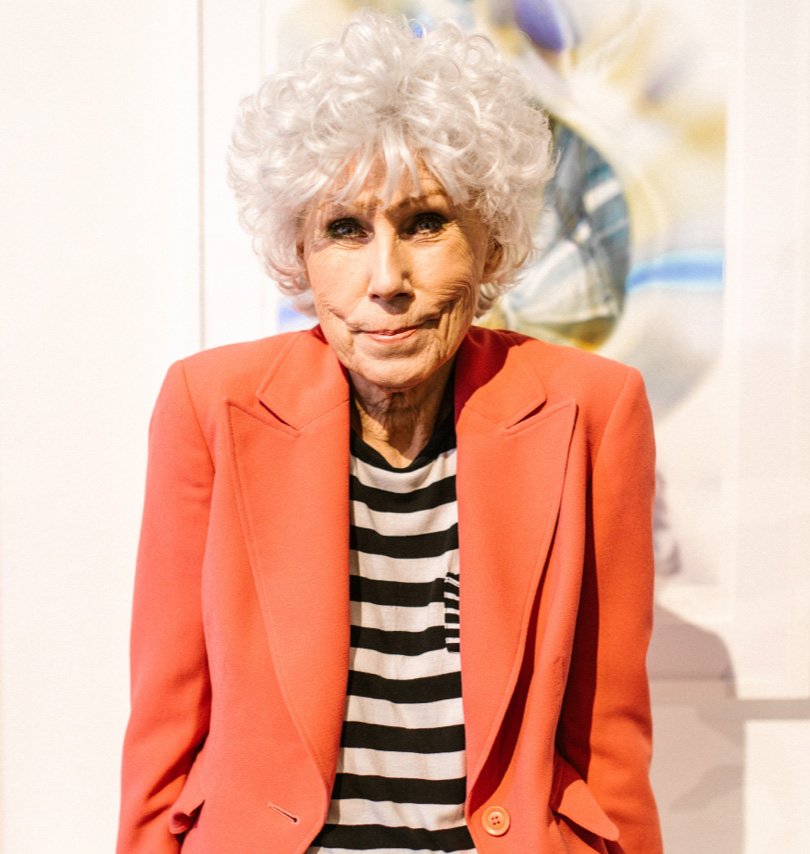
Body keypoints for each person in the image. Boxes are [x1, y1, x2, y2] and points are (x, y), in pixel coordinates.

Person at [117, 10, 662, 853]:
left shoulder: (594, 410)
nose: (387, 280)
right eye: (345, 229)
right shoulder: (210, 405)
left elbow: (610, 742)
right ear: (299, 252)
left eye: (425, 224)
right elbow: (165, 725)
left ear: (490, 243)